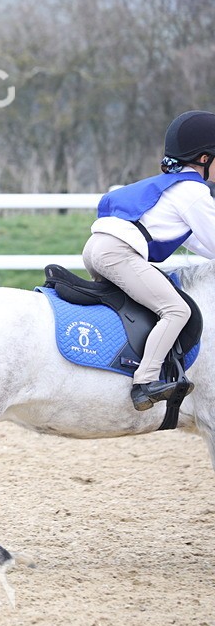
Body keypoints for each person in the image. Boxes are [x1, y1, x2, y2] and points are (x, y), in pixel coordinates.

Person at [83, 109, 215, 411]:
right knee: (176, 310)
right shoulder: (193, 191)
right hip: (117, 252)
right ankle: (146, 382)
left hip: (97, 247)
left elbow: (201, 242)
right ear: (205, 159)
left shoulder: (173, 187)